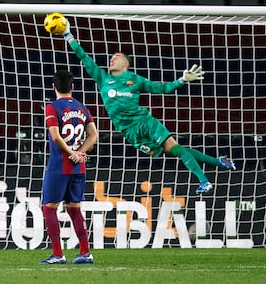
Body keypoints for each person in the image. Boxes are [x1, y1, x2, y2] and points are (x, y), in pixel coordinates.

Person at [60, 19, 236, 195]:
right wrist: (68, 35)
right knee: (176, 151)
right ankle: (219, 162)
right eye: (112, 57)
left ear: (125, 64)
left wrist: (181, 80)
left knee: (176, 149)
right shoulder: (103, 78)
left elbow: (162, 88)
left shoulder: (136, 80)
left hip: (144, 122)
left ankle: (204, 181)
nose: (112, 59)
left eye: (117, 57)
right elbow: (83, 57)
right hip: (129, 133)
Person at [40, 70, 98, 265]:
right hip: (78, 168)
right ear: (72, 87)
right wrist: (79, 152)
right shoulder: (82, 108)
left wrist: (71, 153)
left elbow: (56, 136)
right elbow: (93, 135)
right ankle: (85, 252)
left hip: (59, 166)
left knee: (49, 208)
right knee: (74, 210)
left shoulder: (52, 107)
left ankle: (58, 254)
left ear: (53, 87)